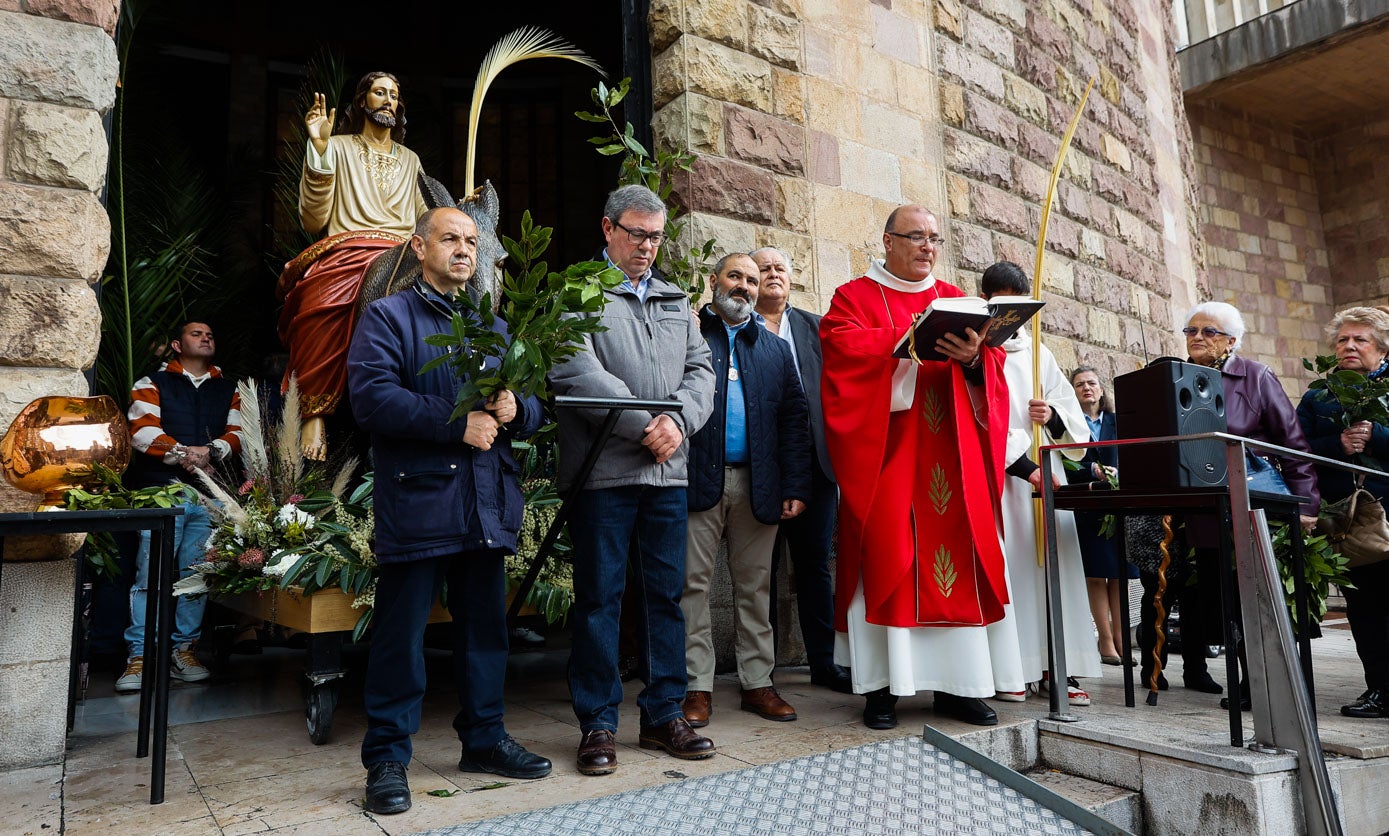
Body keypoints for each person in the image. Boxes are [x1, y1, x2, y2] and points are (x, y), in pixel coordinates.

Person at [346, 207, 549, 815]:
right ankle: (386, 758)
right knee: (400, 638)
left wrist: (520, 410)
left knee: (486, 633)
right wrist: (458, 424)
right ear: (418, 247)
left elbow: (537, 404)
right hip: (419, 501)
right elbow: (372, 398)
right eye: (450, 239)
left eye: (470, 241)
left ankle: (484, 741)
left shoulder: (494, 326)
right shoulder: (388, 317)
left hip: (485, 505)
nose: (463, 249)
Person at [819, 205, 1023, 730]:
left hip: (954, 460)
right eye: (915, 236)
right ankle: (884, 689)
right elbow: (840, 351)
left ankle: (961, 686)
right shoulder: (854, 296)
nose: (927, 246)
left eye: (934, 237)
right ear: (888, 241)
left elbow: (994, 374)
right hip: (890, 457)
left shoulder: (957, 299)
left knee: (961, 558)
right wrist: (902, 342)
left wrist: (975, 359)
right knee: (889, 556)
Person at [548, 184, 716, 775]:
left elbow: (702, 371)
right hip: (605, 474)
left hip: (668, 475)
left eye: (656, 236)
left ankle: (663, 712)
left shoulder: (675, 299)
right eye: (636, 233)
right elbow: (575, 371)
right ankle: (598, 723)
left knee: (665, 598)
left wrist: (679, 422)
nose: (647, 246)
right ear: (608, 228)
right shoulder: (577, 294)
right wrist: (650, 425)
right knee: (600, 601)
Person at [681, 253, 811, 729]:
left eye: (752, 281)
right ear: (714, 282)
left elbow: (794, 420)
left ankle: (758, 682)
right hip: (698, 479)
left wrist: (796, 482)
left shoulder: (774, 348)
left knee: (755, 587)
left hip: (759, 484)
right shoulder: (688, 333)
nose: (744, 287)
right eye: (734, 276)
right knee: (691, 585)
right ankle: (697, 686)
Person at [1177, 301, 1320, 709]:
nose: (1198, 338)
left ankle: (1277, 683)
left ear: (1231, 341)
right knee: (1229, 601)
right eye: (1192, 331)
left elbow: (1293, 444)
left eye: (1210, 332)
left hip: (1254, 505)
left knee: (1261, 597)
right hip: (1206, 511)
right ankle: (1251, 679)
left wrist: (1306, 503)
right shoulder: (1177, 378)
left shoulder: (1255, 377)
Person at [278, 71, 428, 459]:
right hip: (348, 246)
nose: (388, 100)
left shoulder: (411, 160)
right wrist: (319, 149)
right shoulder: (338, 147)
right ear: (363, 101)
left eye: (394, 94)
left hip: (402, 250)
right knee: (317, 295)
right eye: (380, 92)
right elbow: (313, 219)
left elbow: (425, 218)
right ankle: (314, 411)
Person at [981, 262, 1101, 707]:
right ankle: (1013, 668)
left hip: (1048, 477)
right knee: (1012, 575)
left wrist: (1052, 417)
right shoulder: (981, 353)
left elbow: (1078, 431)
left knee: (1055, 573)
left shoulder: (1040, 355)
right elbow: (984, 418)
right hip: (1005, 481)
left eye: (1020, 306)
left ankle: (1056, 669)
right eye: (1003, 306)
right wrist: (1023, 461)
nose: (1013, 318)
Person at [118, 321, 242, 693]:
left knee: (196, 576)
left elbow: (237, 434)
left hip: (209, 496)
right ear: (176, 344)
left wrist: (210, 452)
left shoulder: (229, 389)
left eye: (210, 334)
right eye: (196, 333)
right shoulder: (151, 383)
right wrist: (186, 454)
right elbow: (141, 432)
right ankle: (139, 657)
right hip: (162, 491)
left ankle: (183, 652)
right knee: (149, 576)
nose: (206, 337)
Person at [751, 246, 850, 694]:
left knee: (814, 567)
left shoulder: (815, 327)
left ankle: (824, 664)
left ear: (791, 278)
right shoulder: (735, 325)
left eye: (779, 268)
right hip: (758, 465)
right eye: (763, 268)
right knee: (759, 570)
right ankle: (760, 672)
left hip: (815, 464)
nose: (773, 274)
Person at [1297, 306, 1389, 718]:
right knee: (1364, 607)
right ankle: (1381, 689)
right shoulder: (1318, 395)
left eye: (1360, 339)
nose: (1348, 346)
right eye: (1341, 340)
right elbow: (1295, 454)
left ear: (1382, 347)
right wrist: (1338, 444)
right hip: (1346, 520)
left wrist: (1377, 437)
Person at [1066, 365, 1137, 666]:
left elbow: (1135, 455)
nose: (1086, 388)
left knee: (1120, 575)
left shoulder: (1118, 422)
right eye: (1080, 384)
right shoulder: (1069, 423)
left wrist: (1119, 471)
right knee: (1096, 574)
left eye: (1091, 383)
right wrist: (1090, 470)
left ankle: (1122, 638)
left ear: (1102, 389)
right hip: (1089, 504)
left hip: (1119, 504)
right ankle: (1105, 641)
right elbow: (1065, 462)